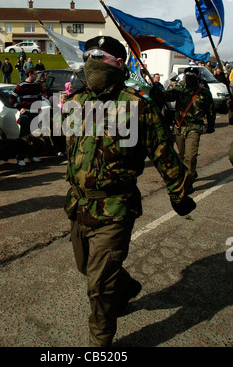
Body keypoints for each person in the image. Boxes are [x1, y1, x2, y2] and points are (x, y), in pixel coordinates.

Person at [63, 36, 196, 347]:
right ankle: (125, 287)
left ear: (119, 63)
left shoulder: (137, 106)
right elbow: (69, 148)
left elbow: (164, 153)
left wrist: (178, 194)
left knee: (98, 285)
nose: (91, 61)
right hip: (79, 205)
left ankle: (101, 342)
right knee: (85, 266)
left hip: (115, 207)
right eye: (88, 55)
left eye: (100, 56)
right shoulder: (77, 103)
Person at [161, 66, 215, 190]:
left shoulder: (204, 93)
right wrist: (157, 92)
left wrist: (211, 126)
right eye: (187, 75)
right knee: (181, 156)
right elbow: (166, 96)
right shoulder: (179, 90)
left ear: (197, 77)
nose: (189, 77)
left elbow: (210, 111)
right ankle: (191, 173)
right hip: (179, 127)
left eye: (192, 74)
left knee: (190, 157)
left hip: (194, 127)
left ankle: (187, 183)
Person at [10, 68, 43, 166]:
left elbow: (39, 96)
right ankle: (20, 157)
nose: (36, 76)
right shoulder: (21, 86)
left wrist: (39, 106)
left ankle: (32, 155)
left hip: (34, 113)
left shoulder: (37, 85)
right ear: (29, 74)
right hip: (26, 113)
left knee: (34, 135)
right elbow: (12, 98)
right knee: (24, 136)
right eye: (35, 74)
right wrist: (19, 108)